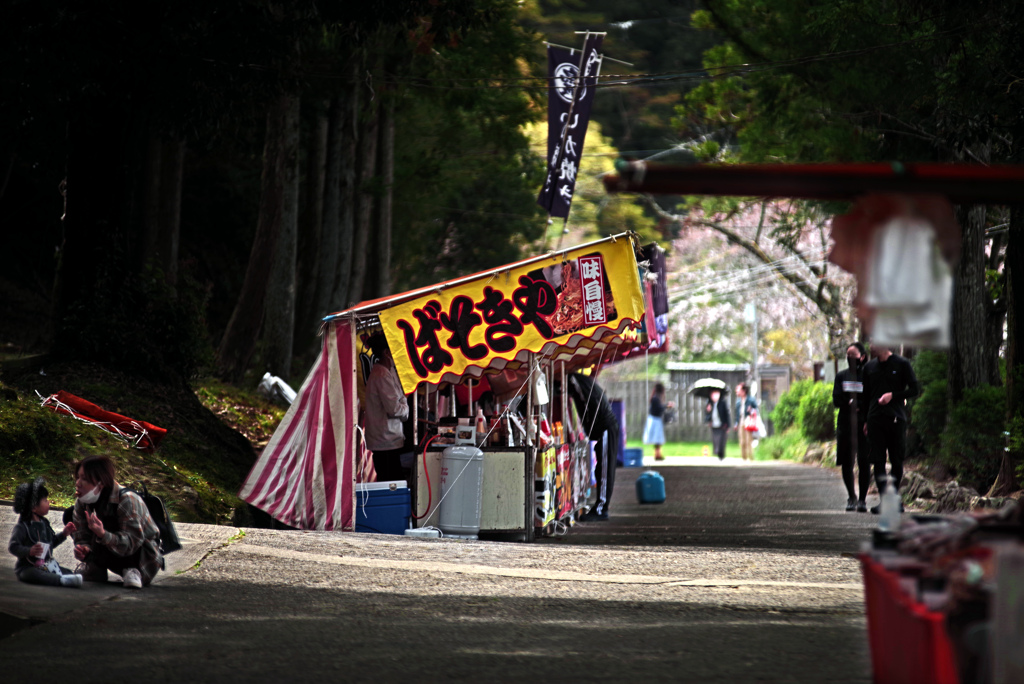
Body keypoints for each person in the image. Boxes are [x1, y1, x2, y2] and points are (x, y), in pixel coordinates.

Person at [71, 455, 162, 588]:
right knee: (69, 515)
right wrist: (85, 549)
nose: (78, 483)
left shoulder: (126, 499)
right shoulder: (82, 502)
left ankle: (132, 570)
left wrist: (103, 534)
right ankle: (95, 568)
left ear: (100, 482)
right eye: (78, 477)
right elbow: (81, 534)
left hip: (141, 557)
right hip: (112, 551)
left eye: (84, 479)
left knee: (108, 521)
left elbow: (133, 541)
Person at [862, 344, 920, 514]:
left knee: (896, 460)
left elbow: (914, 390)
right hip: (874, 420)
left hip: (896, 419)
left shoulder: (902, 364)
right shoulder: (869, 367)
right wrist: (865, 420)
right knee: (878, 461)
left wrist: (893, 395)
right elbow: (865, 396)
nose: (872, 345)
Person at [8, 477, 83, 588]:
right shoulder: (22, 527)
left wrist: (64, 534)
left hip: (46, 565)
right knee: (31, 574)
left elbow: (50, 543)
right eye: (45, 500)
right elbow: (13, 547)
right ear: (33, 507)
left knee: (67, 571)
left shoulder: (44, 523)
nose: (48, 502)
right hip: (28, 567)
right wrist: (29, 551)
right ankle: (61, 580)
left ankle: (65, 577)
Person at [568, 371, 620, 521]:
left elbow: (589, 404)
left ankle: (601, 509)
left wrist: (589, 428)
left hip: (605, 428)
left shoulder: (574, 381)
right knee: (602, 469)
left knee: (604, 470)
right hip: (604, 428)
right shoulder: (583, 381)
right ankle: (600, 506)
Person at [364, 332, 410, 483]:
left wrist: (403, 404)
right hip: (385, 441)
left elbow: (401, 399)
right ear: (386, 352)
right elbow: (395, 409)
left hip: (390, 439)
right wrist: (405, 408)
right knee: (391, 482)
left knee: (393, 480)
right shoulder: (381, 375)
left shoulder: (388, 372)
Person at [833, 342, 871, 512]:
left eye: (853, 355)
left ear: (862, 357)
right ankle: (851, 497)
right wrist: (851, 403)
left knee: (864, 462)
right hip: (845, 425)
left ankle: (862, 499)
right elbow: (837, 399)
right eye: (847, 355)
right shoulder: (841, 376)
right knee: (847, 463)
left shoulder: (868, 376)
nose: (850, 358)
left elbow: (870, 399)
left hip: (863, 425)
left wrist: (857, 404)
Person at [643, 382, 674, 461]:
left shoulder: (656, 397)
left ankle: (658, 454)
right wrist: (667, 405)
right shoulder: (656, 398)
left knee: (658, 439)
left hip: (655, 420)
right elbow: (659, 408)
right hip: (655, 420)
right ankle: (657, 454)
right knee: (657, 438)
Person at [733, 383, 758, 461]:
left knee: (748, 441)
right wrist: (736, 423)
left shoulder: (751, 400)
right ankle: (744, 458)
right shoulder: (738, 402)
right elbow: (737, 415)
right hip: (741, 423)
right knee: (742, 442)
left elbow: (756, 410)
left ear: (744, 391)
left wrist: (751, 410)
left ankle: (751, 458)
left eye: (739, 390)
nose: (737, 391)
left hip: (748, 422)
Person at [705, 389, 730, 461]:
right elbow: (707, 415)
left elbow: (726, 414)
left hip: (722, 424)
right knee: (715, 439)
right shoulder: (710, 403)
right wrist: (708, 410)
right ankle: (716, 451)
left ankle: (721, 454)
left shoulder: (722, 403)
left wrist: (728, 425)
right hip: (714, 424)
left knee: (722, 440)